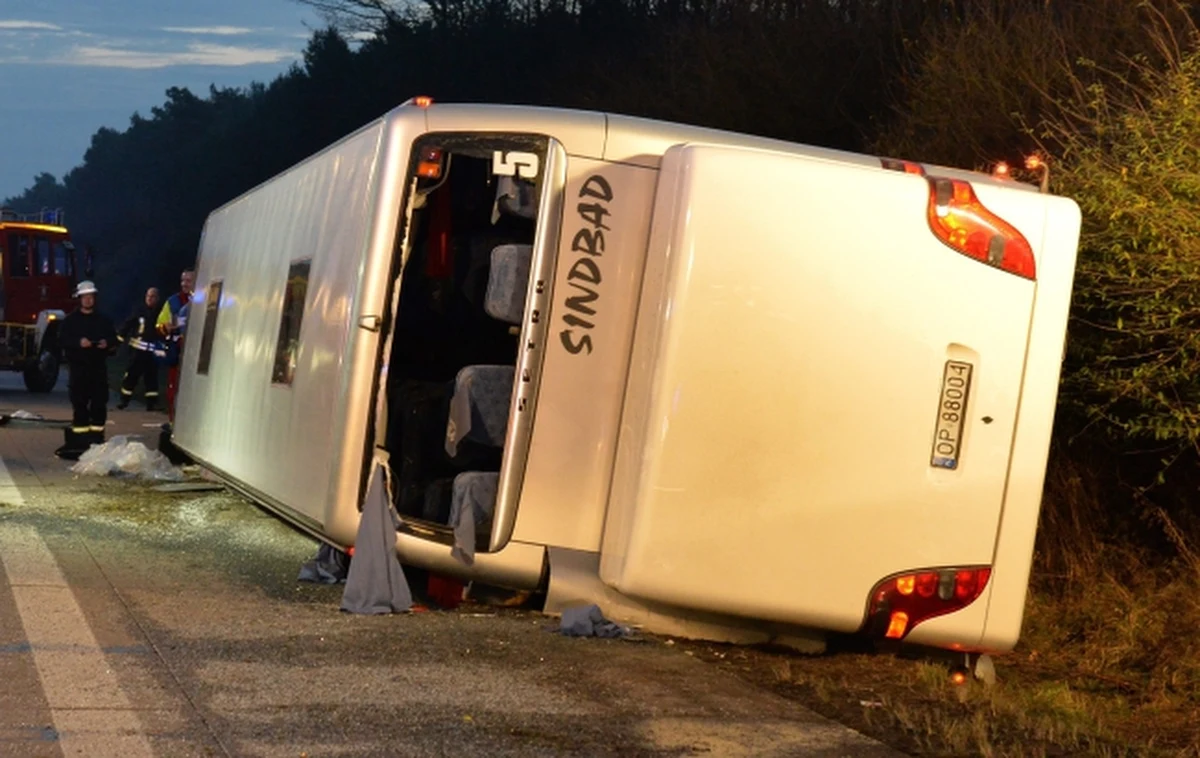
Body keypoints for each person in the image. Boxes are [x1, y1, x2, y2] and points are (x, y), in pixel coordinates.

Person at [54, 280, 117, 460]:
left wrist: (107, 343)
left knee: (99, 406)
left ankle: (97, 441)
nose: (88, 300)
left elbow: (114, 340)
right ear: (79, 299)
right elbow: (61, 341)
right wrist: (78, 343)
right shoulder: (70, 321)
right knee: (79, 406)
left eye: (91, 297)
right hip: (78, 370)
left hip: (98, 369)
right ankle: (80, 444)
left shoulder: (104, 320)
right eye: (85, 297)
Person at [156, 269, 194, 421]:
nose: (184, 284)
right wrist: (165, 327)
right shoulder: (172, 301)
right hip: (177, 351)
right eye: (182, 280)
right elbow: (159, 325)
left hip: (195, 353)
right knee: (173, 389)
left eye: (188, 280)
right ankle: (173, 422)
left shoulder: (204, 299)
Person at [116, 287, 162, 410]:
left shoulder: (161, 312)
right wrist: (118, 340)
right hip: (137, 351)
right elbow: (128, 324)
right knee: (131, 376)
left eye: (153, 296)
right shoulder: (139, 310)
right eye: (148, 296)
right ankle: (124, 400)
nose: (150, 299)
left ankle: (151, 404)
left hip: (152, 353)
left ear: (157, 298)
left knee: (151, 378)